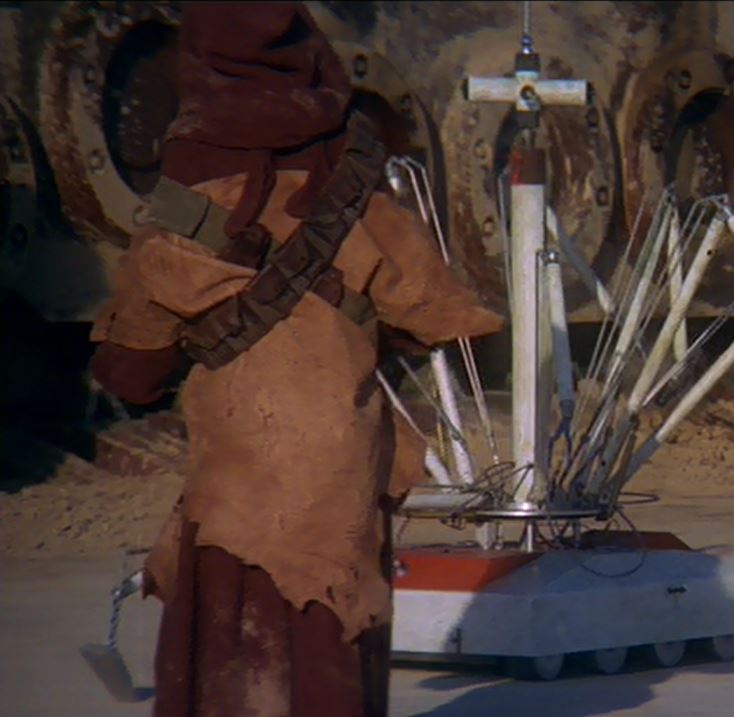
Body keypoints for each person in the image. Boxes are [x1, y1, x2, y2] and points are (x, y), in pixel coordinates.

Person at [87, 4, 503, 715]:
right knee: (328, 638)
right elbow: (443, 318)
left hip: (237, 482)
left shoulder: (185, 199)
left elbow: (130, 371)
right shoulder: (358, 186)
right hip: (339, 473)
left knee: (233, 645)